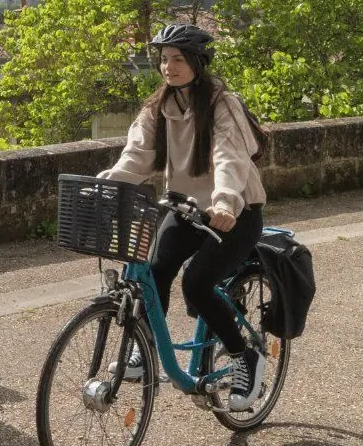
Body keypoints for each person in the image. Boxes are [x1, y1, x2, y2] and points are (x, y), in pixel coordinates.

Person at [100, 23, 270, 412]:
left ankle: (245, 356)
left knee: (197, 283)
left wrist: (225, 201)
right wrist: (106, 182)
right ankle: (147, 351)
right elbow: (136, 157)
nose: (168, 67)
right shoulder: (158, 106)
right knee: (154, 270)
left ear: (197, 62)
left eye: (177, 59)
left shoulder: (222, 104)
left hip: (235, 214)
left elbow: (230, 156)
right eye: (164, 59)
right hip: (184, 209)